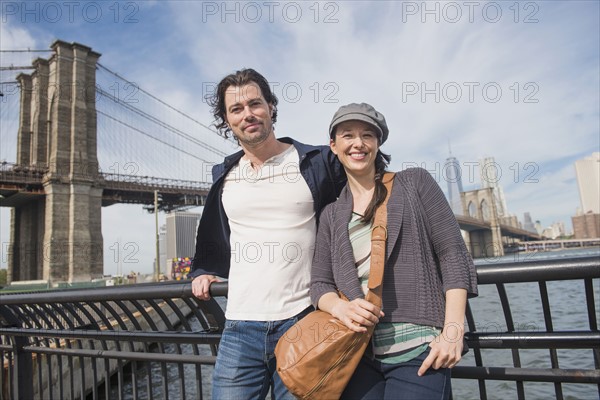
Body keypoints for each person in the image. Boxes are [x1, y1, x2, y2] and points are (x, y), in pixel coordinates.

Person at [188, 68, 346, 399]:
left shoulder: (318, 162)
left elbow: (364, 202)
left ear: (271, 106)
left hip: (303, 320)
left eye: (255, 103)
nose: (248, 114)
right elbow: (216, 235)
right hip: (239, 327)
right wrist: (205, 269)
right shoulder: (224, 175)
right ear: (227, 120)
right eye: (236, 109)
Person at [310, 103, 478, 399]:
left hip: (419, 351)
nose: (358, 143)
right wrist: (341, 307)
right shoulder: (330, 215)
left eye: (367, 135)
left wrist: (453, 331)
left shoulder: (415, 183)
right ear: (334, 146)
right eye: (347, 135)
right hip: (356, 355)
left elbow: (452, 253)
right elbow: (320, 284)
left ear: (378, 143)